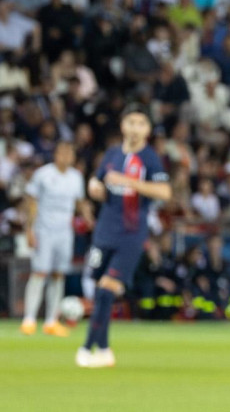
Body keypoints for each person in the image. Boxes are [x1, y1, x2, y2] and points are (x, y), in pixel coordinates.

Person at [77, 103, 171, 368]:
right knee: (98, 290)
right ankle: (105, 351)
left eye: (141, 123)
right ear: (122, 125)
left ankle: (86, 349)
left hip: (130, 234)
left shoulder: (150, 158)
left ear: (148, 129)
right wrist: (94, 187)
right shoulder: (112, 153)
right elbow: (97, 180)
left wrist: (131, 182)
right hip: (104, 231)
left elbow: (165, 192)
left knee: (107, 290)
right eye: (131, 122)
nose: (135, 128)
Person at [21, 142, 93, 337]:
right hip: (44, 230)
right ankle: (29, 319)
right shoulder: (43, 174)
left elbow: (80, 202)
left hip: (64, 232)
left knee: (58, 274)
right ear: (56, 154)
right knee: (40, 272)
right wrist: (29, 230)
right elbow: (31, 202)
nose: (66, 156)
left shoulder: (76, 177)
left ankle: (51, 321)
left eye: (70, 153)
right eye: (62, 152)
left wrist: (88, 217)